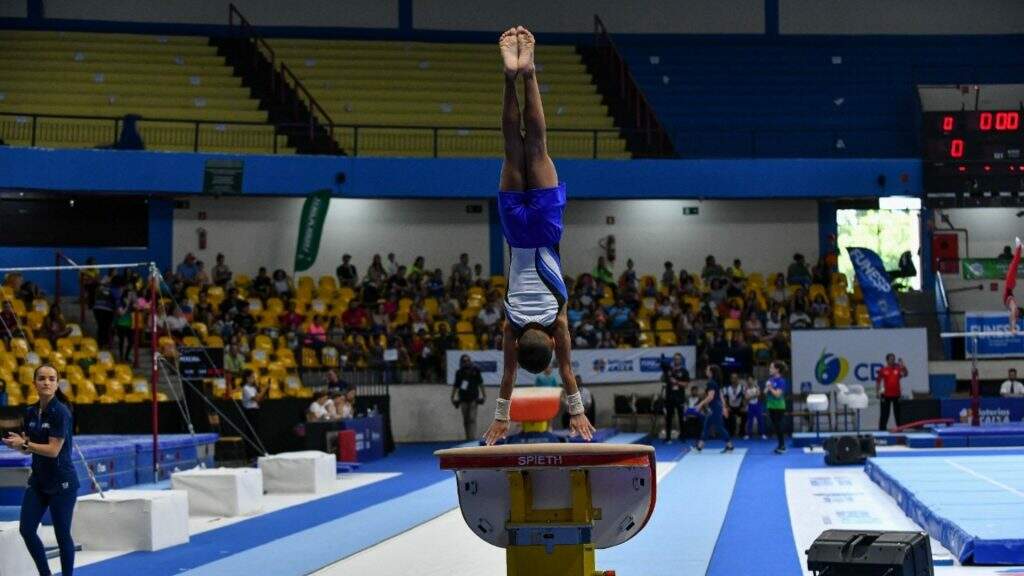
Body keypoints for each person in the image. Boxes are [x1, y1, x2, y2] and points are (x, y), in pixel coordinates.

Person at [483, 27, 595, 446]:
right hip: (516, 231)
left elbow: (567, 374)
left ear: (550, 339)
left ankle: (529, 72)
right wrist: (501, 419)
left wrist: (577, 413)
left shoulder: (558, 322)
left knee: (538, 146)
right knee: (514, 147)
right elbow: (509, 375)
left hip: (545, 229)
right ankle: (509, 75)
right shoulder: (511, 326)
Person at [2, 365, 78, 576]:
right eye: (42, 378)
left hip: (62, 482)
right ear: (34, 383)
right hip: (39, 481)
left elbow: (53, 450)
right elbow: (30, 449)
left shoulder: (60, 412)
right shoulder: (29, 411)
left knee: (63, 536)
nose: (46, 382)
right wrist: (18, 445)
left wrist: (25, 445)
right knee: (26, 530)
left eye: (51, 379)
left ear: (56, 383)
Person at [695, 364, 733, 452]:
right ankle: (700, 446)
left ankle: (729, 445)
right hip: (716, 406)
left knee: (719, 427)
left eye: (707, 370)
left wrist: (700, 404)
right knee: (707, 426)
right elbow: (720, 396)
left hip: (715, 407)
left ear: (711, 372)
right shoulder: (715, 382)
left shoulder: (711, 383)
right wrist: (724, 407)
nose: (706, 371)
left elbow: (710, 397)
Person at [451, 355, 485, 441]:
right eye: (464, 361)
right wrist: (452, 396)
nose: (466, 362)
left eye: (467, 361)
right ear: (461, 362)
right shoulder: (459, 372)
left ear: (470, 361)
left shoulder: (475, 370)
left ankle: (472, 439)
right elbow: (456, 385)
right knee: (466, 420)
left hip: (474, 398)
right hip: (463, 399)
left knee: (472, 419)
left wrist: (484, 395)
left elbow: (480, 383)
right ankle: (468, 438)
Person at [662, 353, 690, 443]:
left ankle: (683, 436)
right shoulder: (669, 370)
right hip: (669, 396)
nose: (676, 360)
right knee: (669, 417)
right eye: (675, 359)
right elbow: (663, 380)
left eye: (678, 359)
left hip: (679, 397)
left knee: (681, 417)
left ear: (681, 360)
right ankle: (668, 437)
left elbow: (686, 384)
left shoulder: (684, 371)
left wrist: (677, 382)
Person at [876, 353, 907, 430]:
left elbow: (905, 374)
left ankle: (900, 429)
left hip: (897, 395)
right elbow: (878, 381)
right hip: (886, 395)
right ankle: (882, 430)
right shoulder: (883, 370)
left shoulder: (898, 369)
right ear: (887, 360)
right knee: (884, 414)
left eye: (894, 359)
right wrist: (877, 392)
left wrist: (903, 366)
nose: (893, 360)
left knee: (898, 414)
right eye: (891, 359)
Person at [240, 370, 266, 458]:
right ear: (247, 378)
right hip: (249, 412)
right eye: (252, 377)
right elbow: (256, 398)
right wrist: (265, 389)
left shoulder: (253, 388)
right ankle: (250, 455)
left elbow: (259, 400)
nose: (254, 379)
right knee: (250, 433)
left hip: (255, 411)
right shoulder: (245, 388)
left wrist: (262, 392)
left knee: (257, 433)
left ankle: (257, 453)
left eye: (254, 377)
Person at [765, 360, 789, 454]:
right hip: (771, 406)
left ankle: (782, 446)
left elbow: (778, 395)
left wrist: (770, 388)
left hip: (779, 407)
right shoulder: (771, 380)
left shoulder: (781, 381)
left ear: (777, 369)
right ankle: (780, 445)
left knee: (778, 426)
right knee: (776, 427)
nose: (770, 369)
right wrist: (767, 387)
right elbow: (765, 392)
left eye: (771, 367)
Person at [1004, 237, 1022, 332]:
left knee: (1014, 265)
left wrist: (1013, 328)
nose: (1018, 311)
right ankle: (1020, 249)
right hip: (1010, 286)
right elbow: (1013, 315)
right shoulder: (1013, 306)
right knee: (1015, 265)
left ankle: (1019, 248)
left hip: (1009, 286)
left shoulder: (1012, 307)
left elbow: (1013, 313)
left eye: (1018, 313)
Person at [724, 373, 746, 437]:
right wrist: (727, 407)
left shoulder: (742, 387)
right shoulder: (727, 388)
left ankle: (742, 432)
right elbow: (725, 399)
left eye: (736, 378)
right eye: (733, 378)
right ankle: (730, 433)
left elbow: (744, 398)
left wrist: (744, 407)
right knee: (726, 416)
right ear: (730, 379)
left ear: (738, 379)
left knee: (745, 415)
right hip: (730, 407)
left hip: (739, 407)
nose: (734, 379)